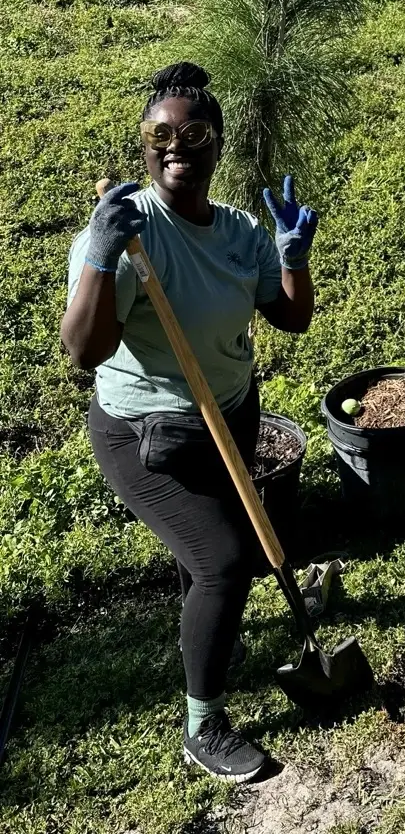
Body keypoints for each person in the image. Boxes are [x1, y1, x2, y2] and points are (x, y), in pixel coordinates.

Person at [60, 63, 318, 782]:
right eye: (160, 133)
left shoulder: (238, 230)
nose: (176, 145)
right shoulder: (128, 234)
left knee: (201, 561)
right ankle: (203, 725)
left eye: (194, 133)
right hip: (147, 434)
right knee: (224, 560)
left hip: (230, 412)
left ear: (217, 145)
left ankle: (206, 634)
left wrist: (292, 259)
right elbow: (83, 352)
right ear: (145, 144)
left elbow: (291, 317)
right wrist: (100, 258)